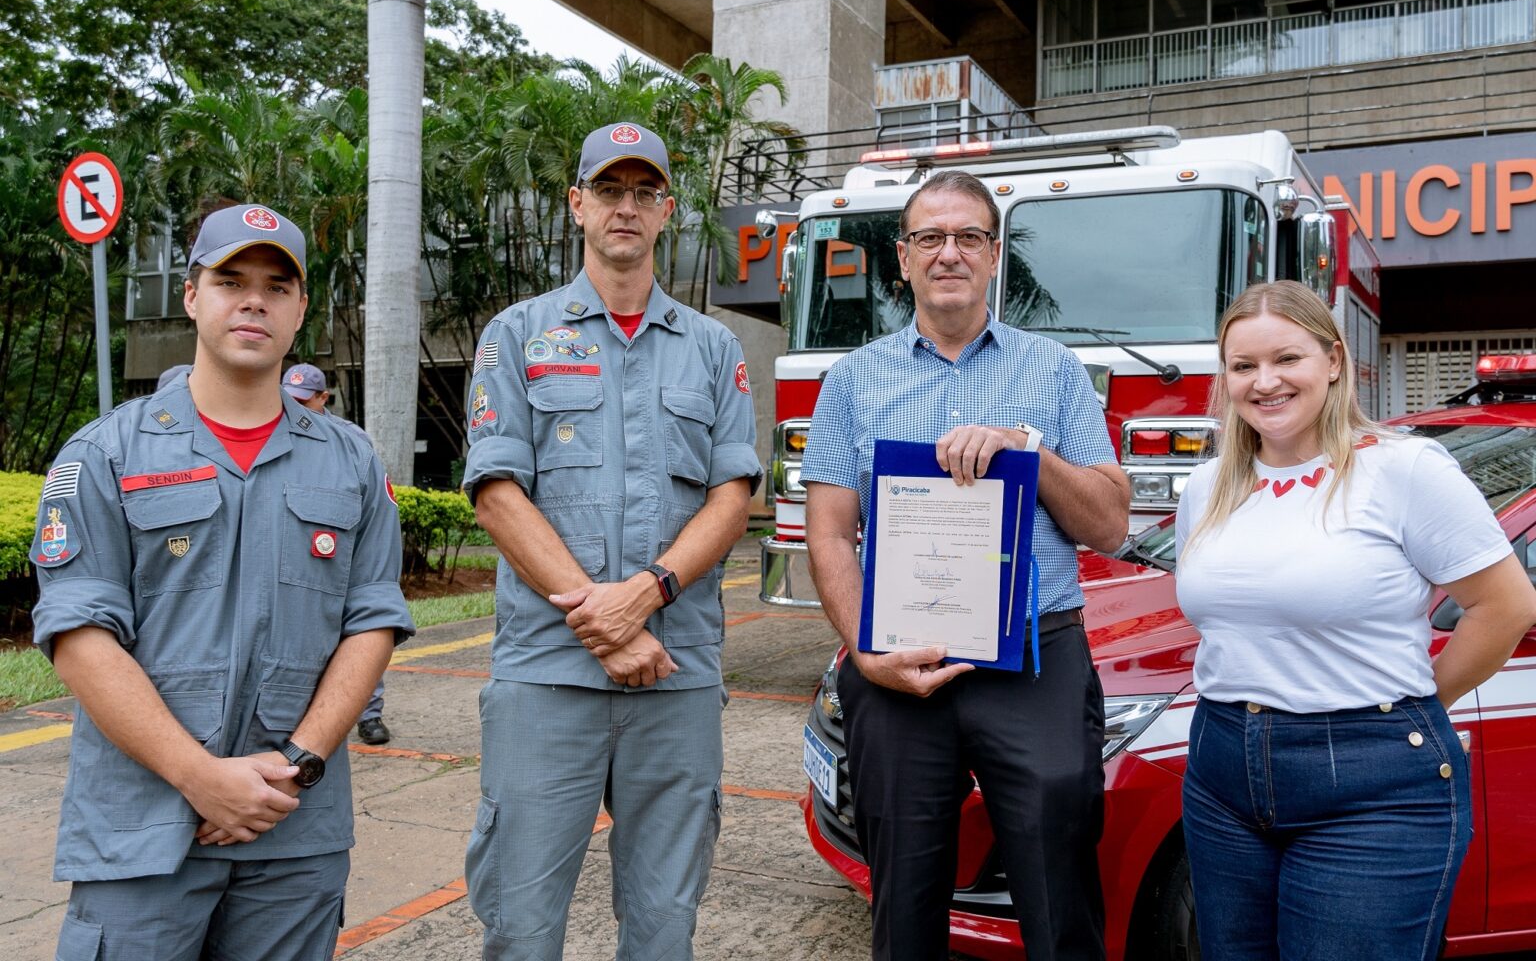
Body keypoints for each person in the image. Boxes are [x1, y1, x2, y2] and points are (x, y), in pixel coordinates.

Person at [31, 203, 414, 961]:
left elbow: (371, 621)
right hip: (143, 831)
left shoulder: (352, 464)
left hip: (292, 832)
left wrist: (298, 766)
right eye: (230, 279)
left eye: (277, 286)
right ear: (192, 294)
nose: (253, 300)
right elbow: (78, 635)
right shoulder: (105, 454)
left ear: (300, 309)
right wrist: (200, 777)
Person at [801, 169, 1129, 961]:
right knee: (904, 896)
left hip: (1034, 657)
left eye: (969, 238)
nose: (949, 253)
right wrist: (866, 653)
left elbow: (1112, 524)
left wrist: (1030, 451)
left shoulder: (1053, 373)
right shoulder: (849, 382)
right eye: (930, 238)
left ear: (993, 258)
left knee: (1058, 883)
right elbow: (828, 532)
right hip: (899, 660)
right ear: (904, 260)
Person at [461, 121, 760, 960]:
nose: (625, 208)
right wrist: (602, 620)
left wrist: (647, 596)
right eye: (608, 191)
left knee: (665, 926)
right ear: (577, 206)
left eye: (643, 193)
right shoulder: (516, 336)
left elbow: (732, 496)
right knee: (520, 924)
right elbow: (496, 492)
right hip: (547, 676)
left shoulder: (713, 348)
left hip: (676, 675)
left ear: (666, 211)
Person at [1174, 281, 1536, 961]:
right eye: (1243, 366)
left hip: (1373, 786)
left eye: (1287, 359)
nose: (1265, 381)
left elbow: (1507, 606)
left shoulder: (1404, 470)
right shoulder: (1209, 485)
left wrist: (1414, 711)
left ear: (1334, 361)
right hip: (1221, 769)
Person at [282, 362, 391, 745]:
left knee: (359, 626)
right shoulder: (273, 432)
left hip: (336, 547)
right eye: (289, 397)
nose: (293, 406)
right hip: (292, 549)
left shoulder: (349, 439)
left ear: (323, 397)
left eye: (303, 400)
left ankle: (369, 714)